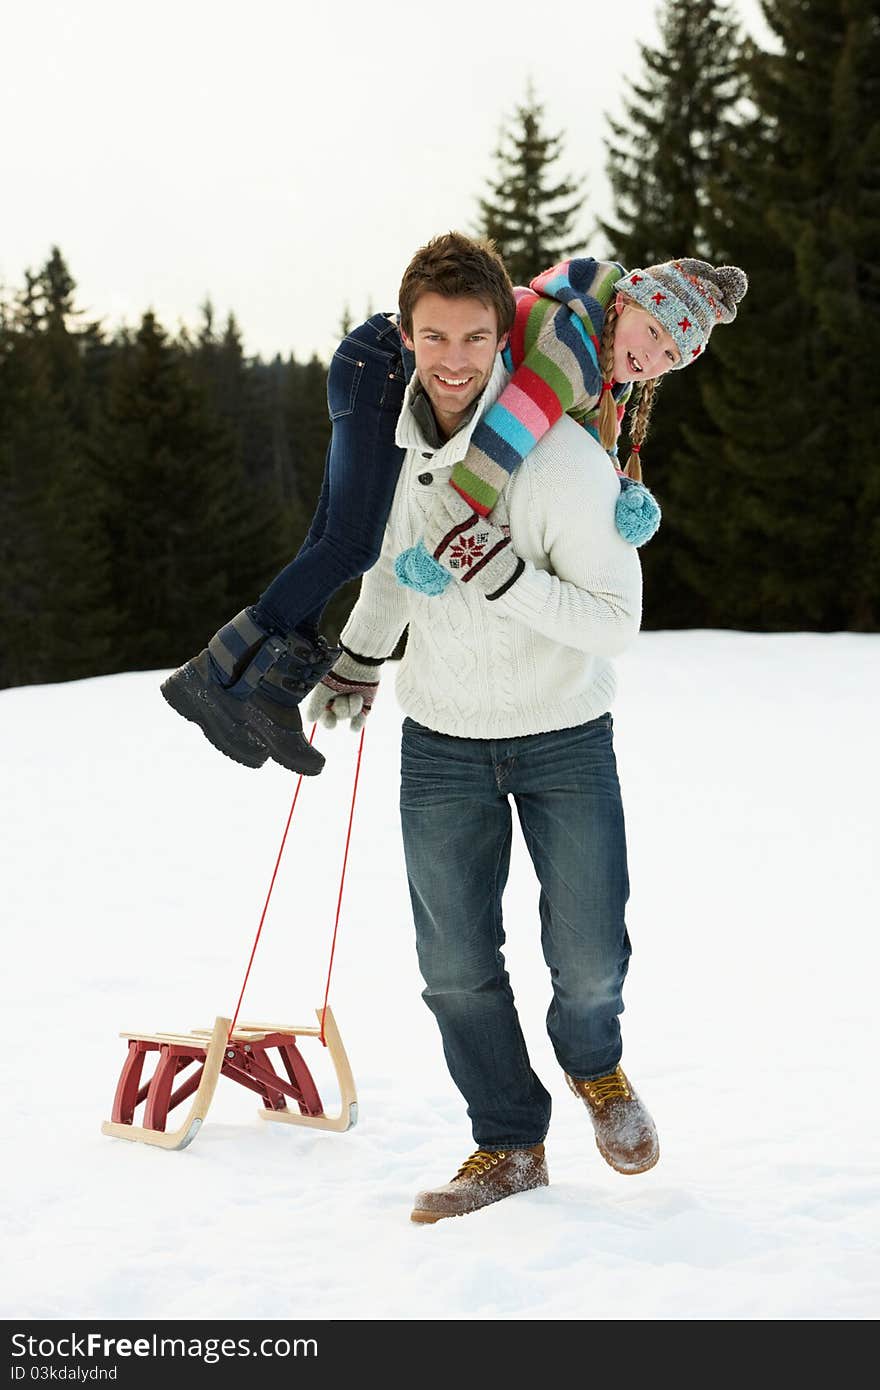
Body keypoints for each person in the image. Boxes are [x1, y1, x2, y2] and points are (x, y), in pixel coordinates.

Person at [302, 231, 748, 1223]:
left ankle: (596, 1067)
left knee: (587, 955)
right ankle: (507, 1142)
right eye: (432, 338)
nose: (452, 359)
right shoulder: (399, 449)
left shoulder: (564, 459)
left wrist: (503, 576)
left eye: (472, 338)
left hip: (563, 735)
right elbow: (386, 567)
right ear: (409, 338)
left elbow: (615, 621)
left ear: (506, 335)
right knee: (454, 964)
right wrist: (359, 659)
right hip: (442, 737)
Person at [160, 228, 744, 778]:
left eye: (674, 355)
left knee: (331, 538)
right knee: (351, 542)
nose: (655, 357)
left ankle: (271, 692)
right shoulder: (573, 350)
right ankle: (214, 674)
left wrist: (618, 490)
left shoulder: (601, 349)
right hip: (383, 366)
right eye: (654, 333)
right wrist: (451, 537)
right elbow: (505, 437)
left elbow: (586, 436)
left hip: (376, 360)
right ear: (627, 305)